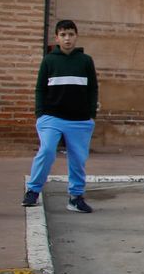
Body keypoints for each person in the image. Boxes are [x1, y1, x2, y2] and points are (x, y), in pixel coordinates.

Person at [23, 20, 99, 213]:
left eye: (71, 34)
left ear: (76, 36)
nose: (67, 39)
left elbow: (93, 89)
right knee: (47, 151)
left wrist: (91, 115)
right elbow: (40, 88)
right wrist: (40, 114)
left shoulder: (85, 61)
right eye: (63, 35)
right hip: (51, 117)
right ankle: (33, 190)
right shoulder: (49, 60)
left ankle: (75, 197)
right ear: (57, 38)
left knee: (78, 159)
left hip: (80, 120)